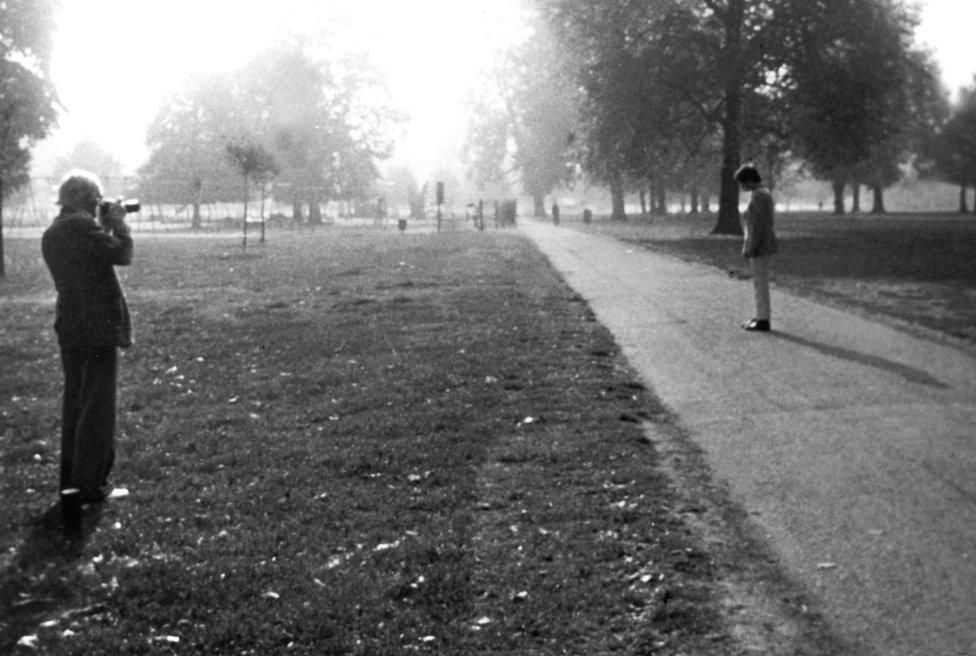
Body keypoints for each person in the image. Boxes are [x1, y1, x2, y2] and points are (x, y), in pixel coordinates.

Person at [42, 170, 133, 509]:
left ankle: (72, 483)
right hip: (97, 327)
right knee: (98, 406)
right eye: (96, 201)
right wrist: (120, 224)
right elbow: (122, 254)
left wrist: (102, 227)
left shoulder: (54, 231)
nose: (98, 207)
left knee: (76, 403)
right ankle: (93, 485)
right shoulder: (82, 228)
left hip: (71, 325)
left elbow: (91, 258)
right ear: (84, 200)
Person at [734, 164, 777, 332]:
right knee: (759, 282)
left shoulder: (759, 197)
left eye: (742, 182)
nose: (741, 186)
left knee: (760, 283)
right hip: (763, 244)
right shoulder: (761, 195)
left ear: (750, 180)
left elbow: (757, 226)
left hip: (761, 246)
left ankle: (763, 320)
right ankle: (760, 315)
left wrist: (751, 247)